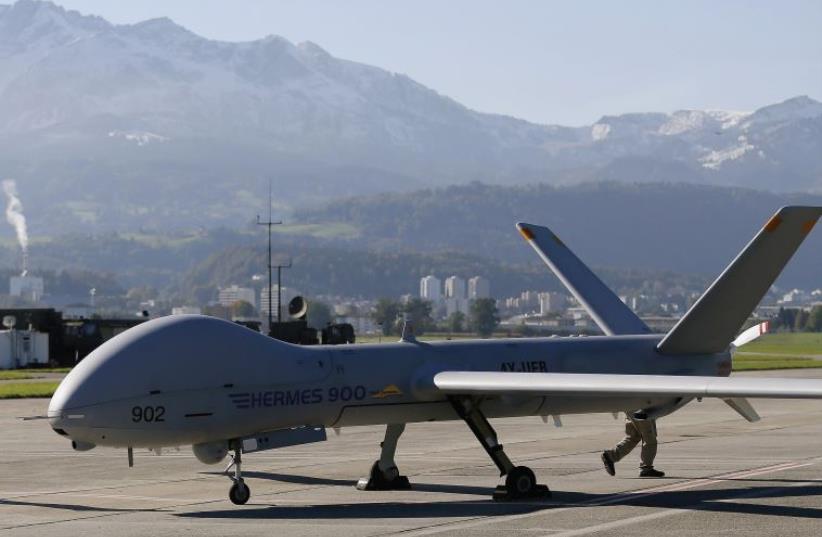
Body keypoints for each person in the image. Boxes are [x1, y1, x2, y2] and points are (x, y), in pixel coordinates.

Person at [601, 411, 665, 478]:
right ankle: (646, 468)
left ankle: (611, 456)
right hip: (641, 408)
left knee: (634, 436)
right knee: (649, 438)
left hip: (630, 407)